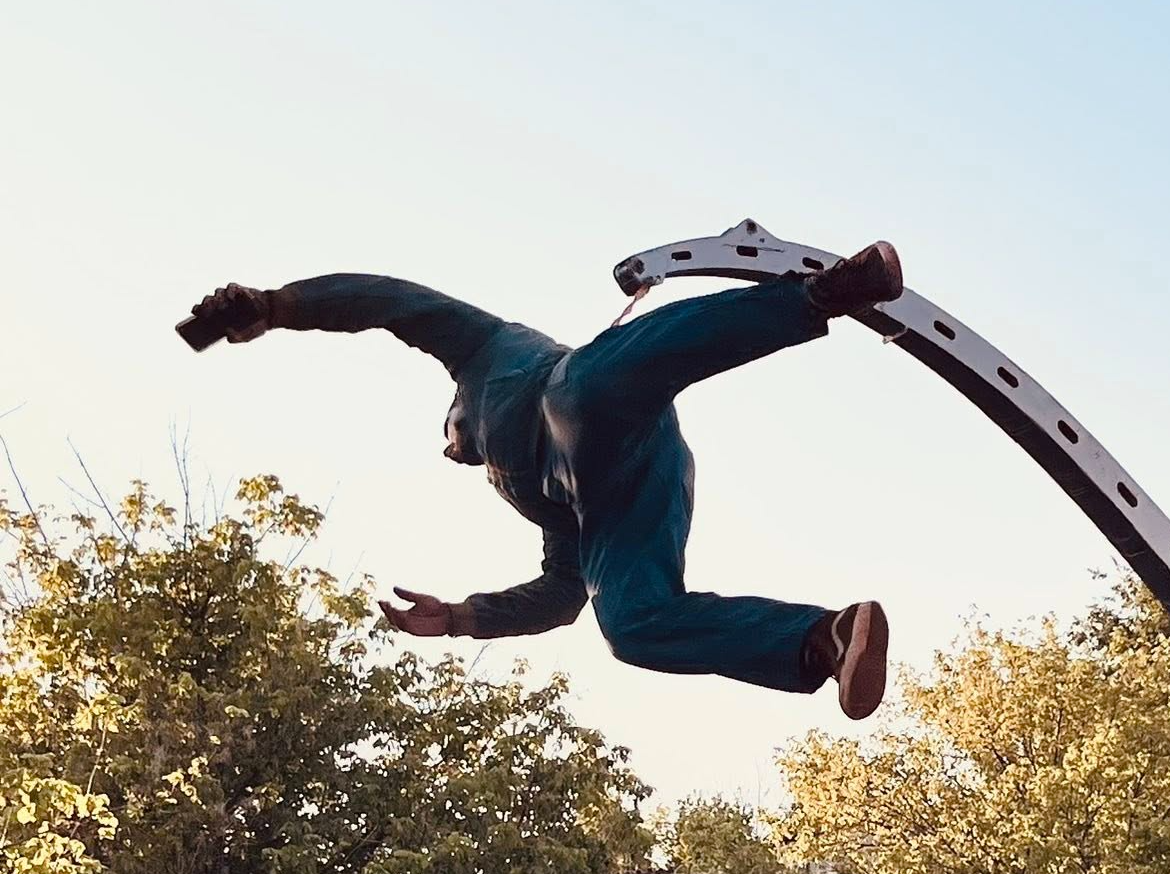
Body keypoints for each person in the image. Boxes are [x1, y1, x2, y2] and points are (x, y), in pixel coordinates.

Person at [182, 246, 905, 716]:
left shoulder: (483, 350)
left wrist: (278, 307)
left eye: (451, 437)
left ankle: (819, 297)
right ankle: (823, 638)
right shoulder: (531, 499)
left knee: (583, 390)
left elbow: (390, 302)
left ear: (457, 412)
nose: (452, 452)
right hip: (620, 508)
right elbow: (563, 594)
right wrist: (463, 617)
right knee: (630, 626)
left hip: (597, 405)